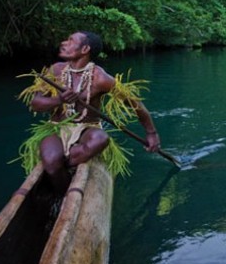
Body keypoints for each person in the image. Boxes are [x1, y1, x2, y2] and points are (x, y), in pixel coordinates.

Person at [27, 31, 161, 197]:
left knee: (101, 139)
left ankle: (70, 160)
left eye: (70, 40)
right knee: (52, 161)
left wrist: (151, 133)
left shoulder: (101, 79)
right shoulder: (55, 70)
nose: (64, 43)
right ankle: (62, 195)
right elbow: (35, 104)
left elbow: (135, 104)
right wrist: (59, 100)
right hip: (56, 127)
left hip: (87, 128)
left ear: (85, 49)